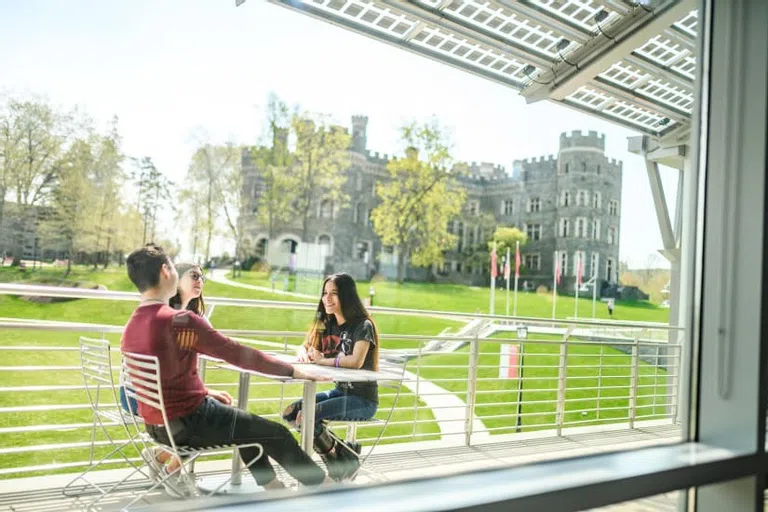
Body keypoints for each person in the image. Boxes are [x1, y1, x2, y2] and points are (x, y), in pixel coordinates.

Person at [121, 244, 330, 497]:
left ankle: (273, 491)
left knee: (246, 427)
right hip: (189, 423)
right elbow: (236, 353)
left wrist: (205, 392)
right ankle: (326, 490)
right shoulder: (180, 321)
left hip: (157, 425)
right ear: (166, 271)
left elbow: (164, 378)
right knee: (275, 433)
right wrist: (292, 371)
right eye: (174, 266)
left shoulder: (132, 324)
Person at [281, 272, 379, 481]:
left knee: (306, 415)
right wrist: (303, 353)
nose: (327, 298)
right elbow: (305, 345)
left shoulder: (363, 325)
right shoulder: (328, 324)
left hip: (363, 400)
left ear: (347, 296)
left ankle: (337, 463)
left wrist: (322, 361)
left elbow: (355, 361)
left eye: (334, 293)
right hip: (339, 392)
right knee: (291, 413)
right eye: (325, 293)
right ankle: (344, 456)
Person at [140, 262, 208, 489]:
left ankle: (159, 456)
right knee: (207, 417)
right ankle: (170, 470)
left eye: (202, 277)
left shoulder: (173, 313)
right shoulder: (174, 317)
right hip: (152, 398)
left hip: (145, 394)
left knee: (205, 409)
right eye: (194, 275)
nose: (200, 280)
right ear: (177, 279)